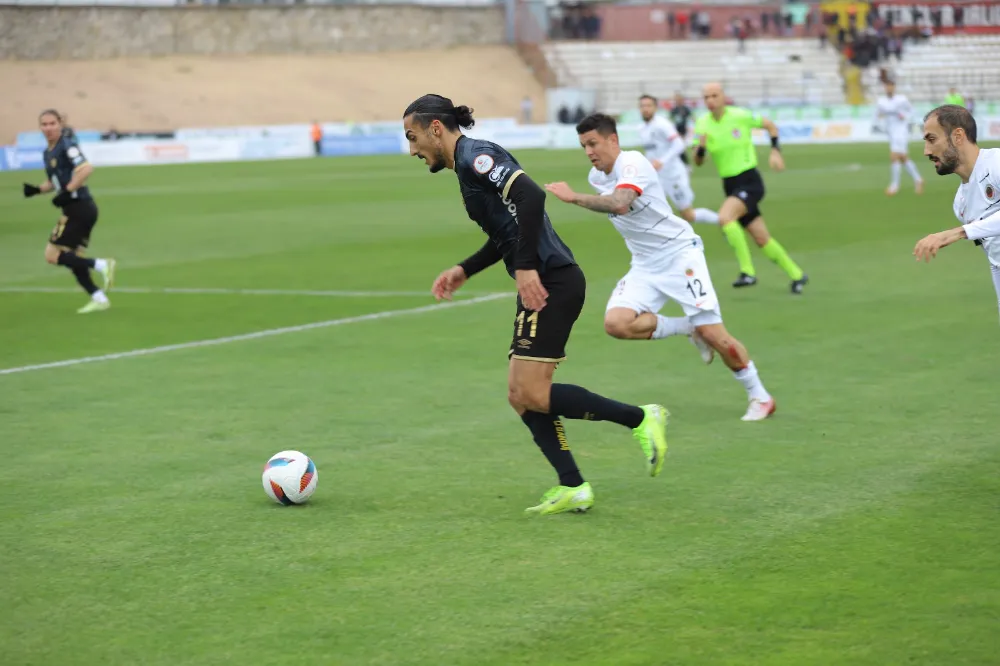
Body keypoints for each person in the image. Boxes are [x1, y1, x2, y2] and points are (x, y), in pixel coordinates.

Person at [402, 94, 668, 516]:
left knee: (528, 391)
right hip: (545, 277)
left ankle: (640, 418)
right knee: (521, 394)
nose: (412, 149)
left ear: (436, 128)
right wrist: (466, 269)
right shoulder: (468, 165)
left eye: (413, 137)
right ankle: (573, 485)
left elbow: (531, 197)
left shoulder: (476, 157)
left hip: (551, 279)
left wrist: (526, 268)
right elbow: (507, 230)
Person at [545, 113, 777, 421]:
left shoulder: (634, 163)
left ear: (613, 140)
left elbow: (621, 203)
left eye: (593, 143)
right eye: (583, 146)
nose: (588, 152)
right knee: (617, 323)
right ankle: (687, 328)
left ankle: (760, 396)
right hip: (645, 264)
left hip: (680, 255)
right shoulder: (597, 177)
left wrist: (573, 198)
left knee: (716, 335)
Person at [692, 83, 809, 292]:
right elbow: (698, 161)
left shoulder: (740, 115)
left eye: (714, 95)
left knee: (725, 218)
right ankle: (797, 275)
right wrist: (700, 148)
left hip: (750, 181)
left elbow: (771, 126)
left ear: (723, 97)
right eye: (706, 97)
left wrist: (775, 151)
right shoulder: (702, 124)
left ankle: (748, 272)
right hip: (729, 184)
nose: (710, 100)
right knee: (761, 237)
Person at [22, 109, 115, 313]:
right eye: (44, 124)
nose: (48, 128)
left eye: (52, 124)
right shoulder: (48, 152)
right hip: (78, 208)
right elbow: (53, 182)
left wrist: (67, 191)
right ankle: (99, 298)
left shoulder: (67, 145)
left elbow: (86, 168)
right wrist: (37, 190)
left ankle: (100, 264)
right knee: (74, 259)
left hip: (79, 208)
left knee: (52, 255)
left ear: (60, 124)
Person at [913, 105, 1000, 320]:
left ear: (958, 136)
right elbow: (995, 259)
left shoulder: (996, 164)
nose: (926, 151)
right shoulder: (961, 204)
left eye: (931, 139)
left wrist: (957, 233)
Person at [637, 94, 718, 225]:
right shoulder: (641, 128)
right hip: (658, 178)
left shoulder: (662, 124)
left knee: (688, 215)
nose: (645, 109)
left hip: (673, 176)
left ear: (655, 108)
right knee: (650, 211)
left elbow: (679, 144)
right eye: (642, 106)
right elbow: (651, 151)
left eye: (648, 105)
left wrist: (662, 161)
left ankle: (723, 221)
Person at [875, 77, 924, 196]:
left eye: (891, 86)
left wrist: (905, 116)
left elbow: (912, 111)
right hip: (891, 132)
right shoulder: (881, 101)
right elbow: (878, 114)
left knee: (894, 156)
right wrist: (879, 121)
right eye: (887, 86)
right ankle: (918, 179)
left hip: (901, 131)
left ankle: (894, 185)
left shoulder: (902, 100)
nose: (888, 88)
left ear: (894, 87)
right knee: (903, 157)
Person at [668, 92, 694, 170]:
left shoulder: (685, 109)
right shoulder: (674, 110)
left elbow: (692, 118)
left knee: (681, 149)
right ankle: (683, 165)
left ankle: (686, 165)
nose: (678, 101)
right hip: (676, 133)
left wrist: (692, 128)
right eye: (676, 99)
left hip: (683, 132)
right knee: (679, 149)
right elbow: (670, 120)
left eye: (679, 99)